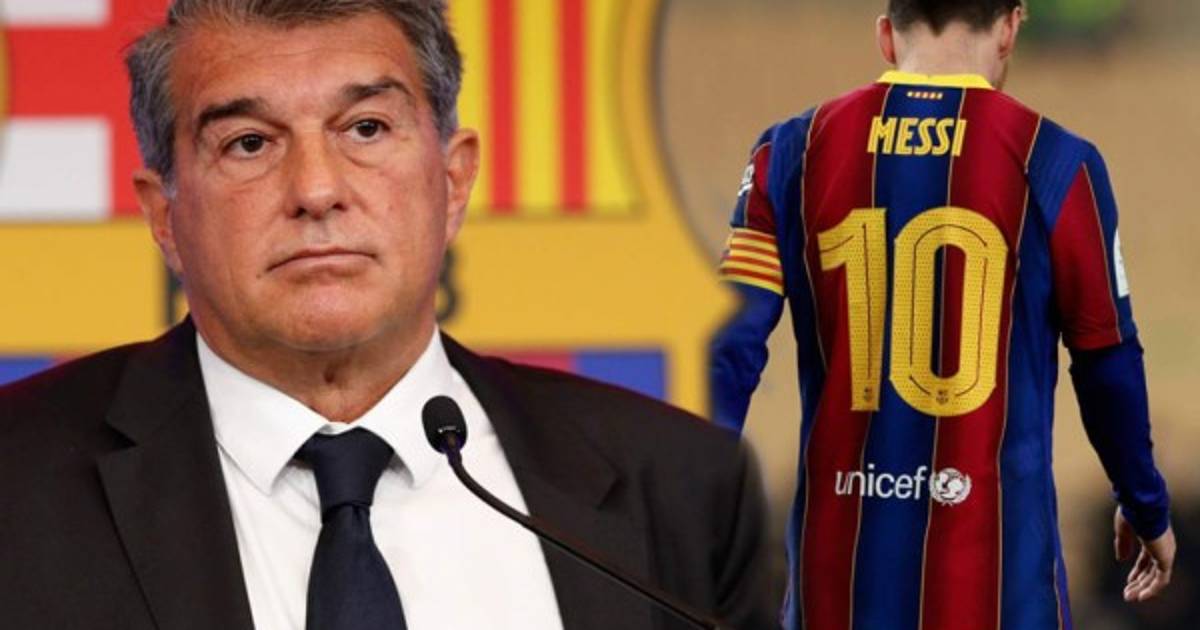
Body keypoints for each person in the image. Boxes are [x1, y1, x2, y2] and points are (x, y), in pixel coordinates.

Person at [0, 1, 774, 629]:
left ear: (454, 180)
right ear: (164, 216)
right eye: (249, 143)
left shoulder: (684, 490)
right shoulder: (18, 485)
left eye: (366, 128)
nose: (316, 190)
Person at [709, 1, 1174, 629]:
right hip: (1004, 597)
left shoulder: (788, 152)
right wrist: (1144, 504)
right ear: (1009, 27)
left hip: (835, 592)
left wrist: (689, 507)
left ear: (885, 34)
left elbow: (728, 351)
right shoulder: (1061, 162)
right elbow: (1108, 362)